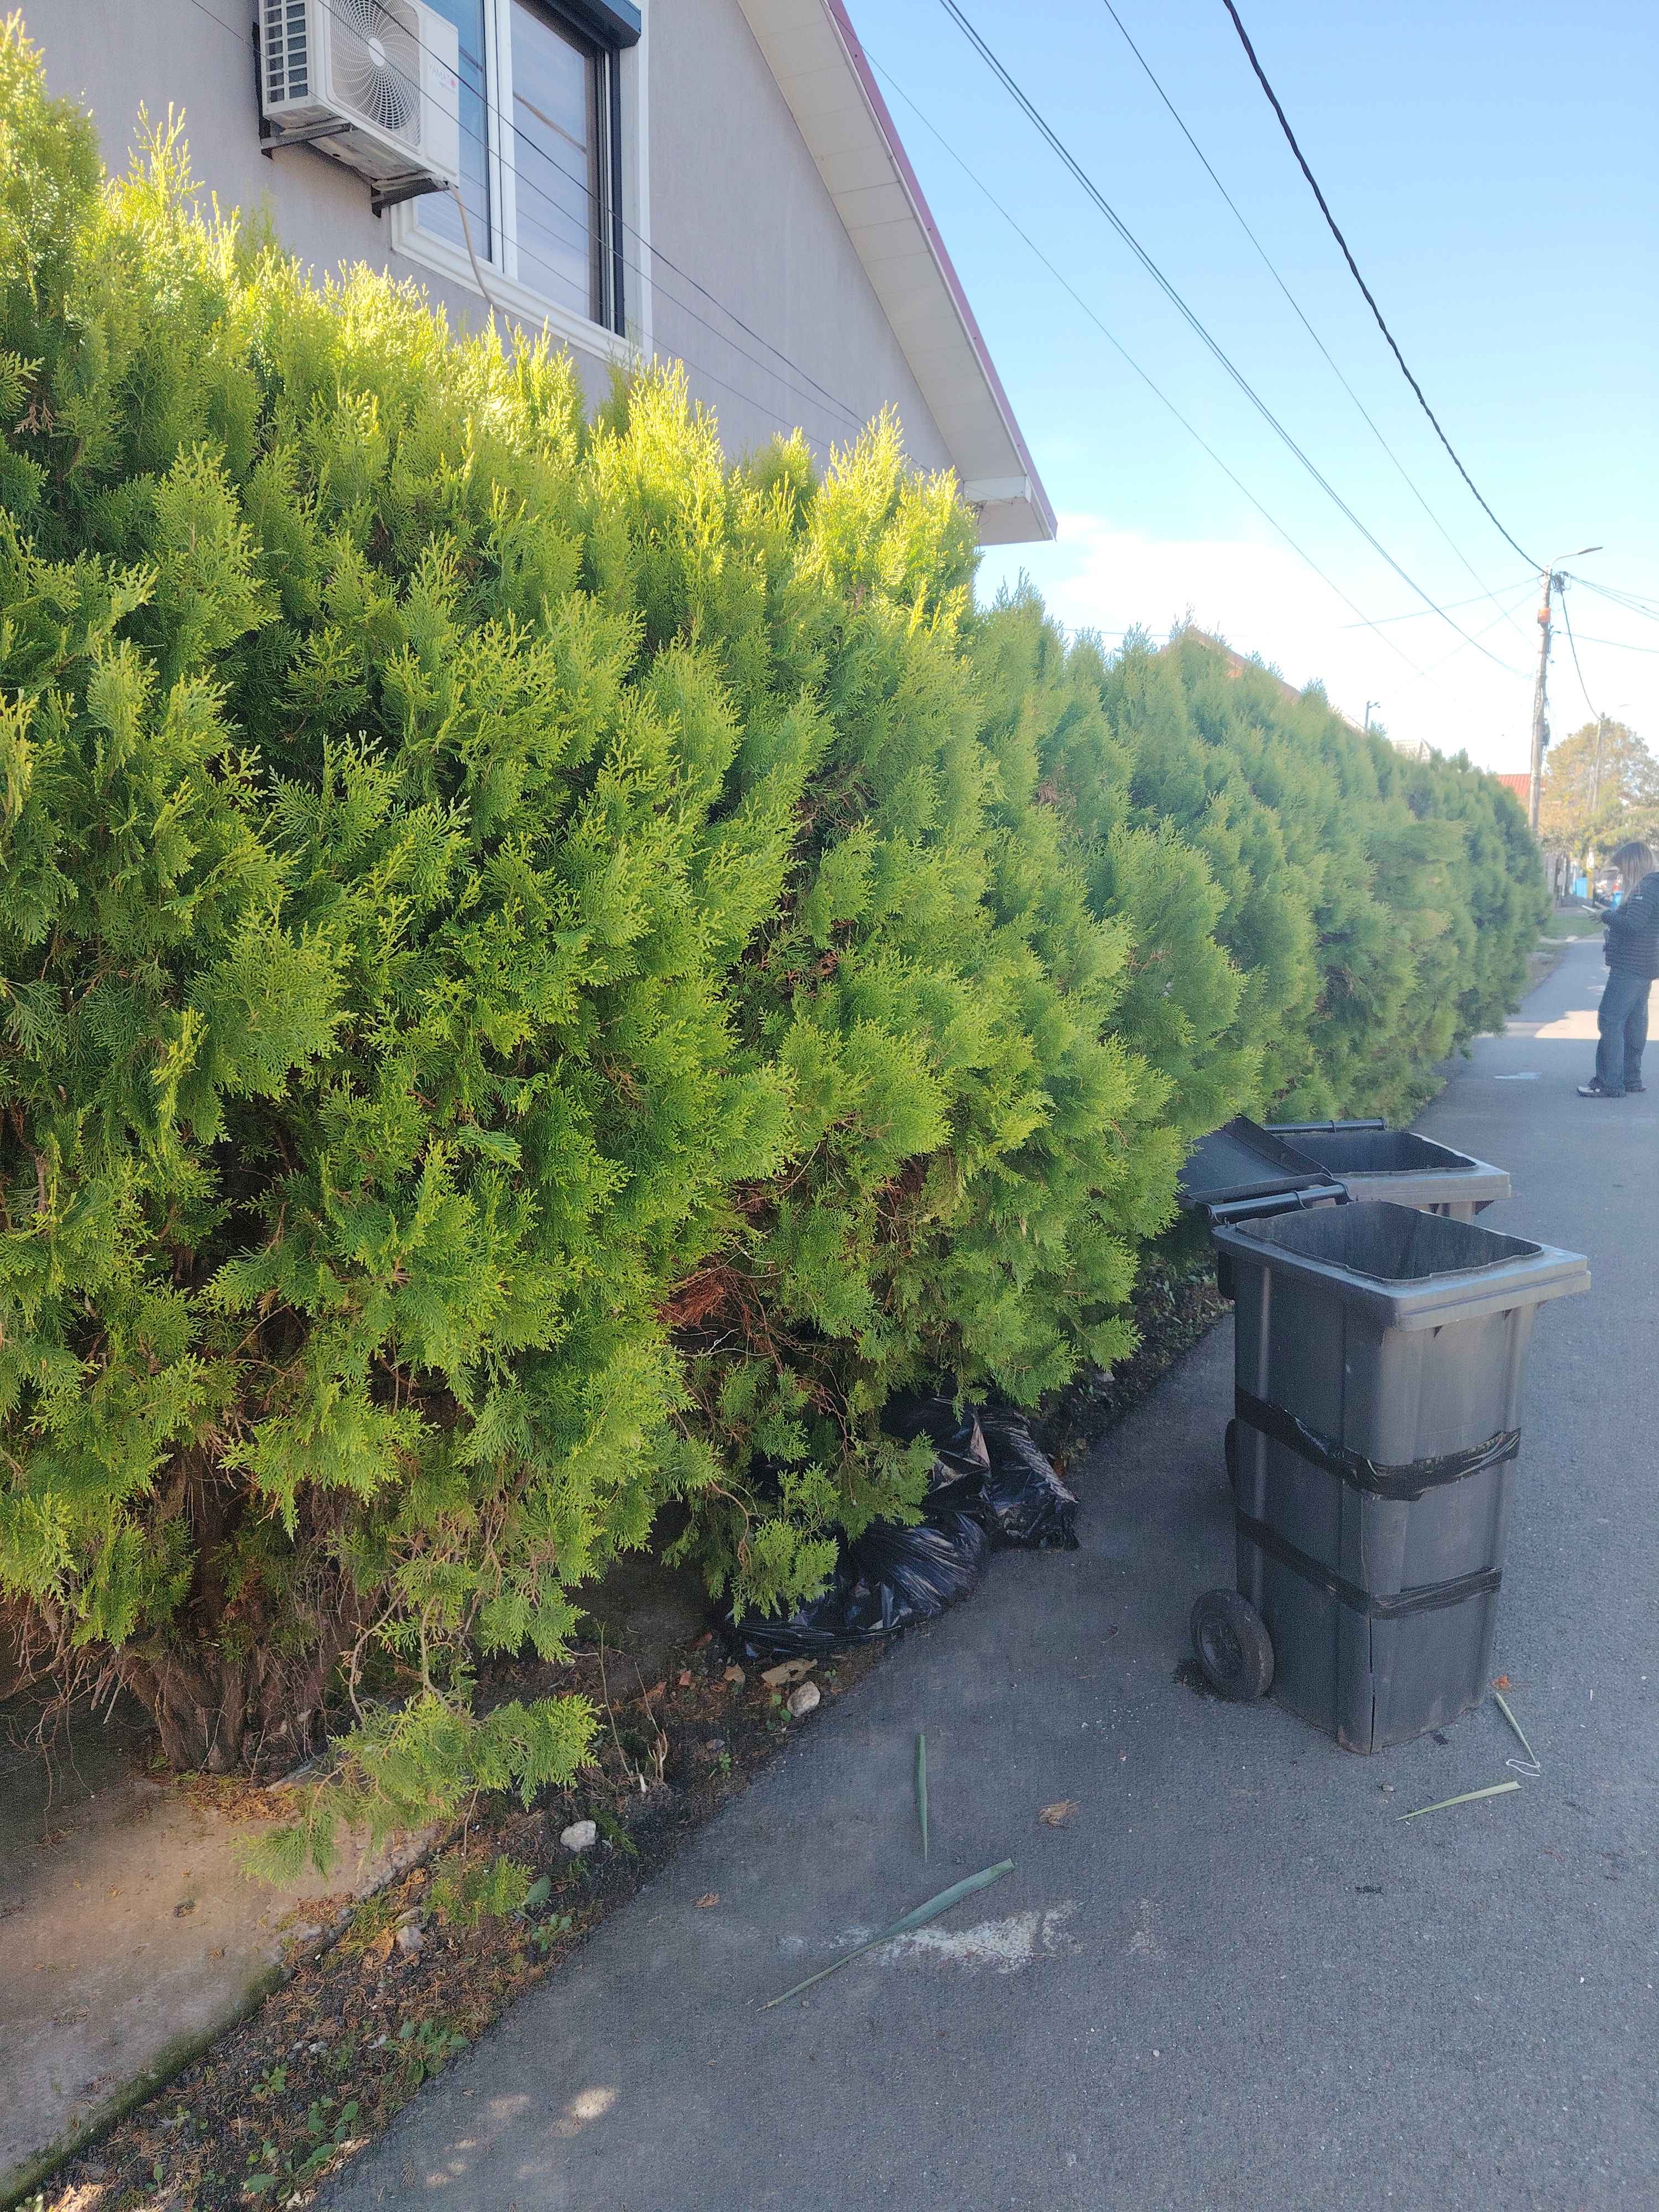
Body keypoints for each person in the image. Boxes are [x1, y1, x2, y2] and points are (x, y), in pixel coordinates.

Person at [1578, 839, 1659, 1098]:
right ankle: (1630, 1079)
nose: (1622, 875)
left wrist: (1604, 916)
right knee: (1634, 1023)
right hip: (1644, 964)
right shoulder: (1653, 886)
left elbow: (1632, 925)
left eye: (1623, 869)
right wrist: (1610, 916)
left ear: (1633, 865)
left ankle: (1609, 1082)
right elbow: (1637, 923)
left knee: (1610, 1019)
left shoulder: (1646, 888)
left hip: (1630, 965)